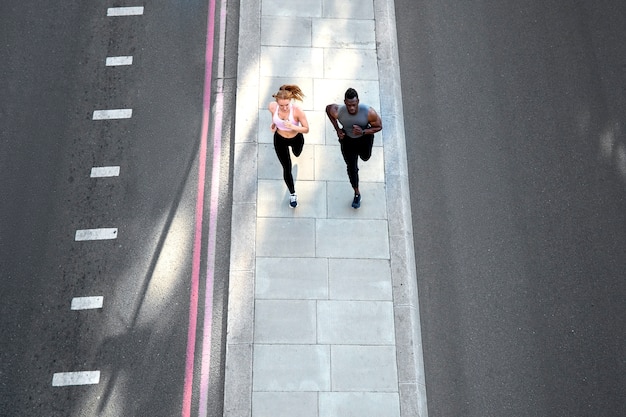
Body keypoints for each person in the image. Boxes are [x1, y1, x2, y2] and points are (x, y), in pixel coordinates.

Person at [325, 88, 382, 208]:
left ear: (358, 102)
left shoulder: (368, 112)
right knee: (351, 168)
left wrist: (363, 131)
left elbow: (379, 127)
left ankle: (363, 151)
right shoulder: (338, 110)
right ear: (345, 102)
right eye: (349, 105)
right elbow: (327, 109)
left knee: (365, 157)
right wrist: (337, 129)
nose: (351, 108)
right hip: (347, 141)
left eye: (354, 105)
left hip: (364, 139)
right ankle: (357, 193)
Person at [268, 84, 309, 208]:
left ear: (290, 102)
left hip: (295, 138)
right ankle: (292, 194)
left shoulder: (297, 111)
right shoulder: (272, 107)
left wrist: (293, 127)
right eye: (282, 105)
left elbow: (306, 129)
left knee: (297, 153)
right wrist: (274, 125)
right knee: (287, 167)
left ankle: (296, 151)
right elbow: (274, 119)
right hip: (280, 140)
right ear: (277, 103)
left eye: (287, 105)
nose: (285, 108)